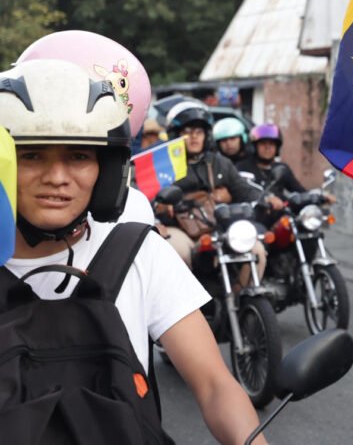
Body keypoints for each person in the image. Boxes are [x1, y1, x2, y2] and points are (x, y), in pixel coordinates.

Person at [0, 59, 265, 443]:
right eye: (32, 156)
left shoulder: (139, 252)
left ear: (106, 170)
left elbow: (213, 384)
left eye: (78, 156)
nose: (57, 178)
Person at [157, 103, 276, 278]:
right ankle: (190, 304)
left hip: (215, 225)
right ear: (176, 135)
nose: (194, 137)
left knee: (256, 249)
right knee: (179, 253)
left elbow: (242, 188)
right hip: (178, 227)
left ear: (207, 136)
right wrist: (157, 213)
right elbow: (147, 198)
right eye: (187, 132)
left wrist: (268, 198)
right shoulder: (163, 164)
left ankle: (242, 299)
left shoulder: (219, 162)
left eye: (199, 132)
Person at [236, 122, 306, 198]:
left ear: (277, 148)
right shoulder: (243, 167)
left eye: (271, 144)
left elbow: (300, 192)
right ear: (255, 147)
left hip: (278, 209)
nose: (267, 148)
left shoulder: (282, 169)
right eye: (263, 143)